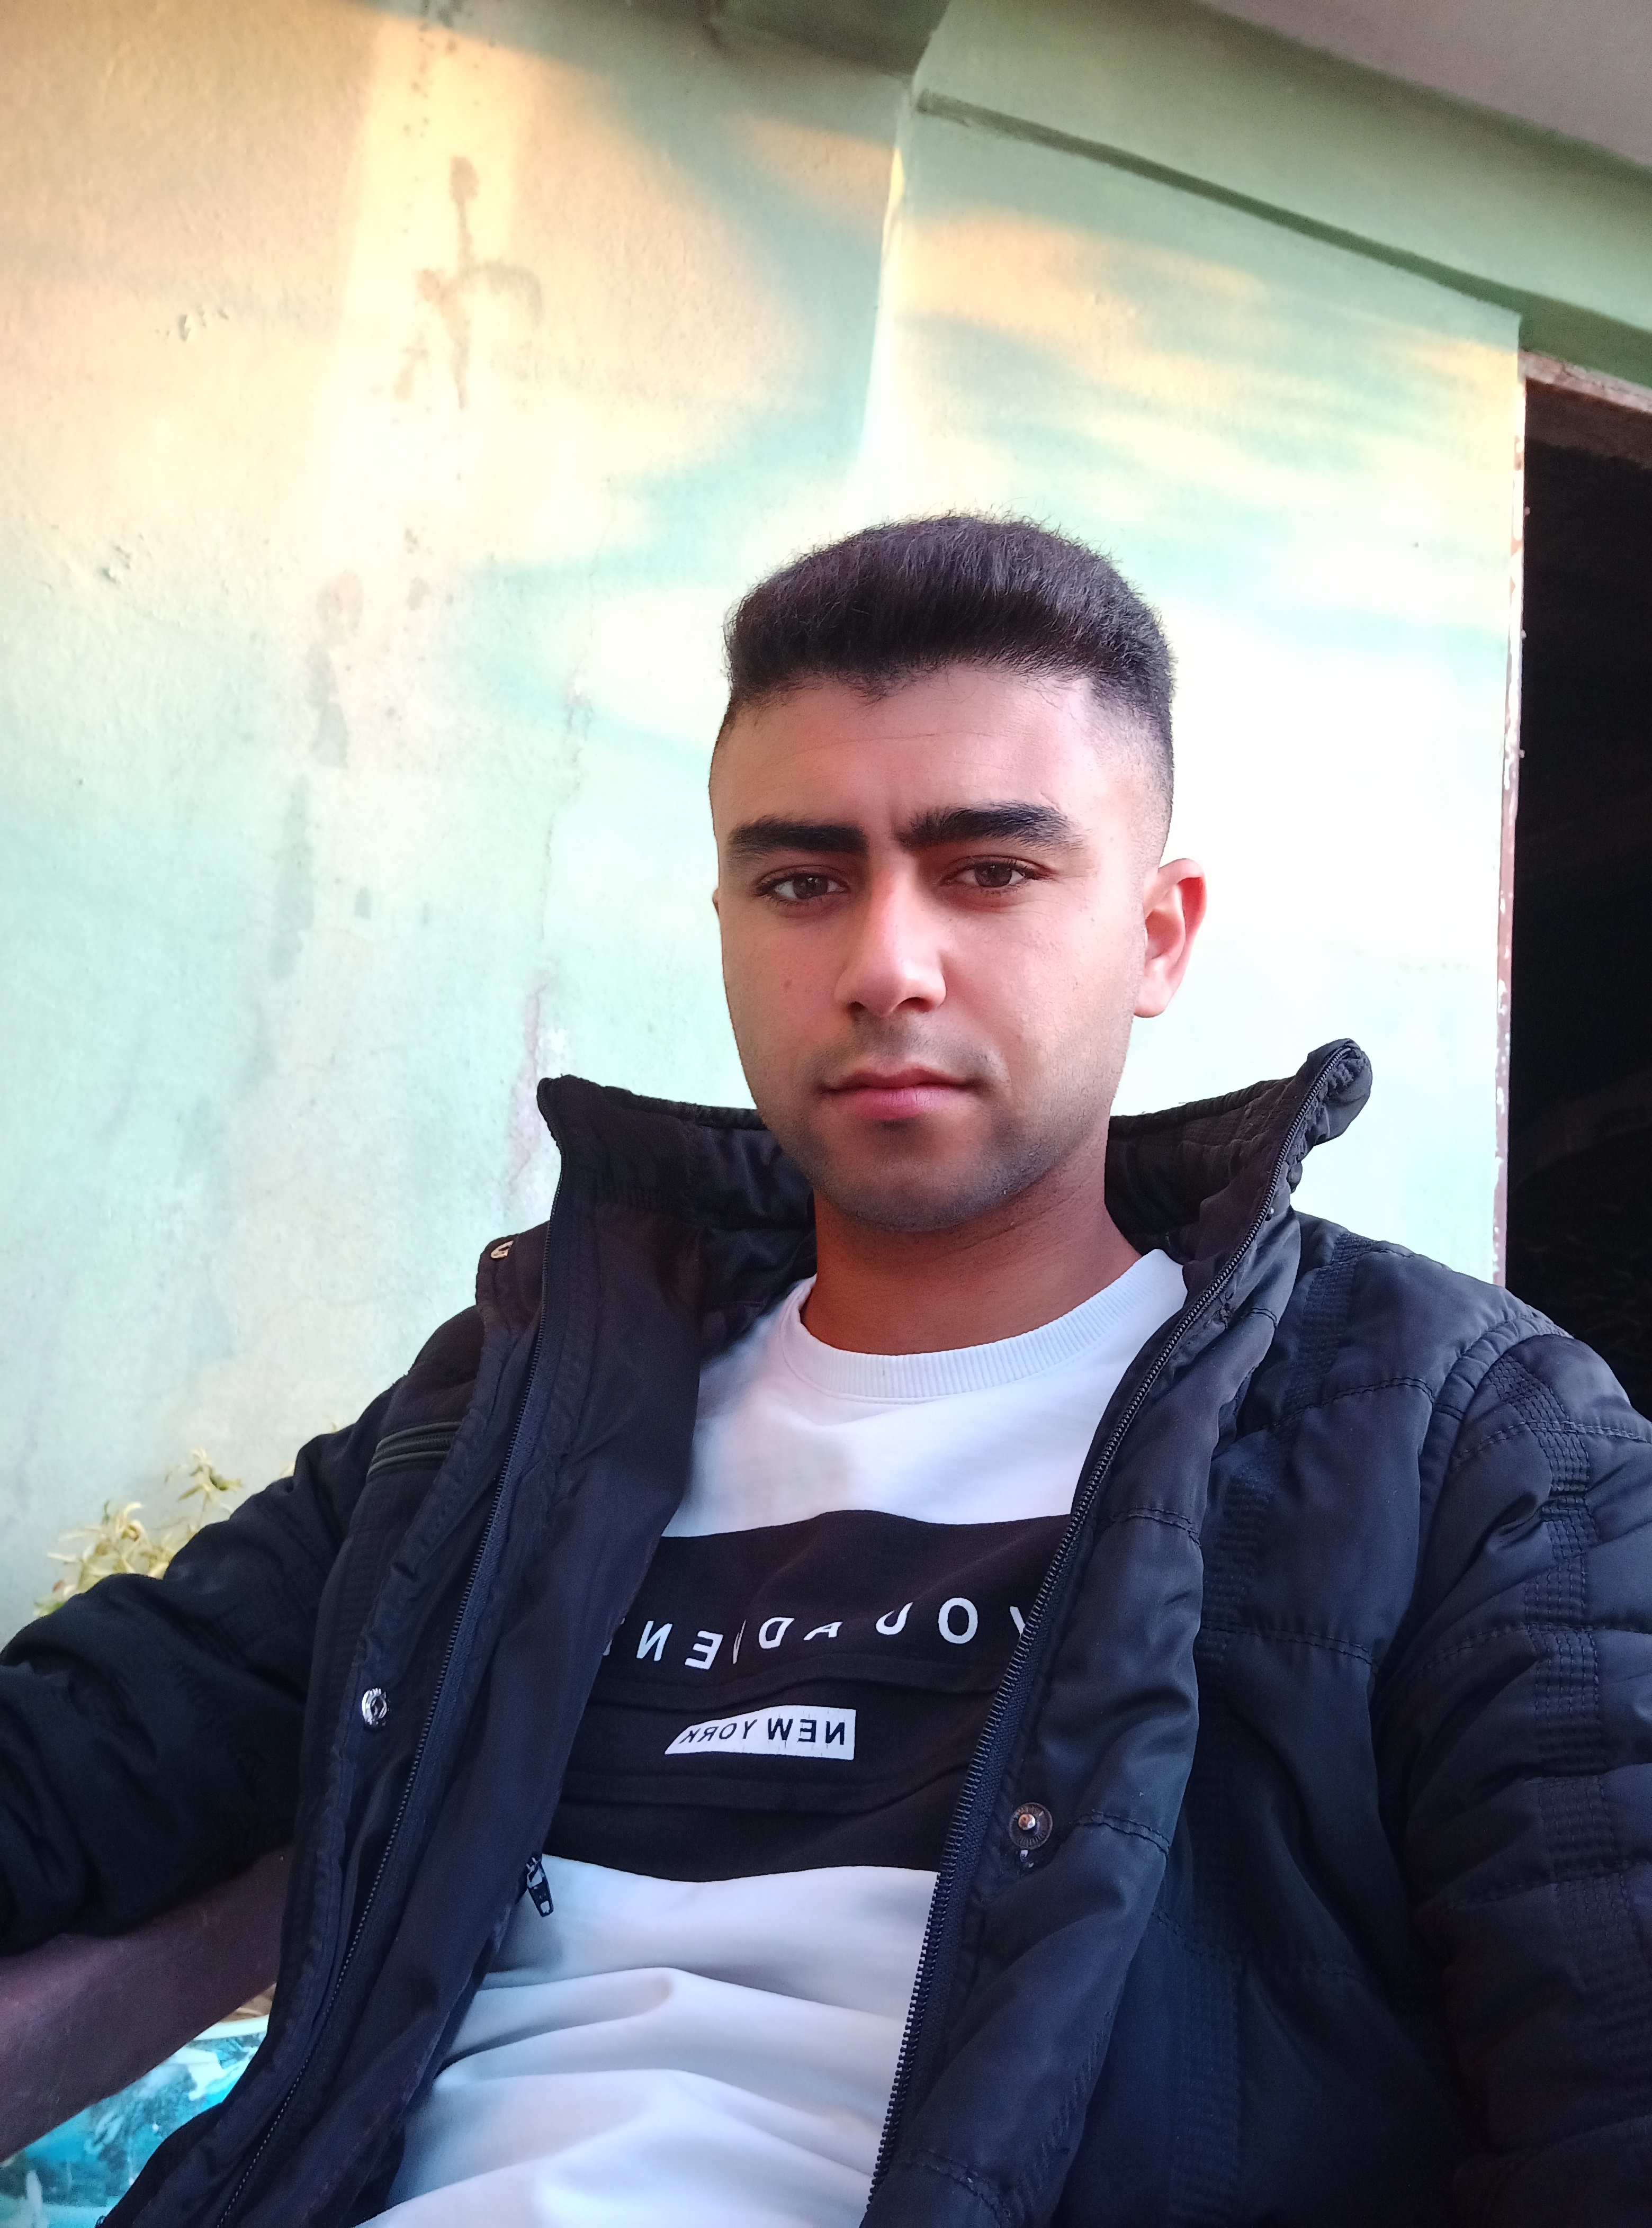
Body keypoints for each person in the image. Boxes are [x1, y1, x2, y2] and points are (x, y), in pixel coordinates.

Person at [2, 517, 1649, 2228]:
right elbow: (85, 1754)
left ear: (1160, 936)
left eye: (989, 872)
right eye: (802, 883)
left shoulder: (1459, 1445)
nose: (883, 968)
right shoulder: (515, 1404)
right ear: (726, 917)